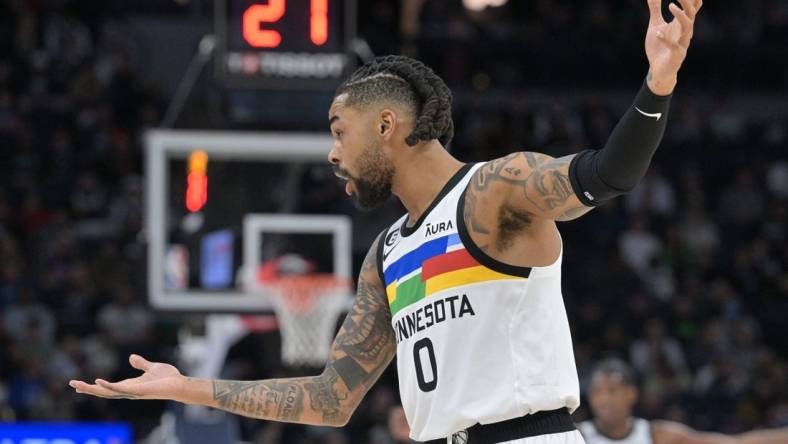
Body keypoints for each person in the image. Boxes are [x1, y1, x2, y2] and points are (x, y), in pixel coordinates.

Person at [70, 1, 704, 442]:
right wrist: (189, 390)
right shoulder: (389, 251)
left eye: (339, 132)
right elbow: (330, 399)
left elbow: (608, 174)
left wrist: (658, 84)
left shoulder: (491, 191)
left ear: (386, 126)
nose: (332, 153)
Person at [579, 359, 788, 444]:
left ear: (631, 394)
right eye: (597, 392)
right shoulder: (576, 436)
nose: (603, 399)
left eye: (611, 391)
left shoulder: (657, 435)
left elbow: (735, 443)